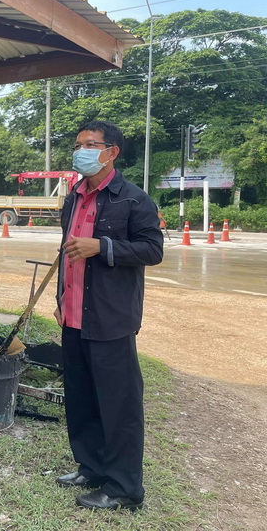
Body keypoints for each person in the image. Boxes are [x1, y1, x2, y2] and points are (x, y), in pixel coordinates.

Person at [53, 120, 163, 511]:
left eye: (90, 145)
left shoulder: (133, 199)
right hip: (73, 316)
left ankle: (123, 488)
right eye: (77, 145)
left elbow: (152, 250)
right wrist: (61, 296)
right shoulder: (74, 197)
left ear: (111, 152)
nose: (80, 151)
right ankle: (91, 467)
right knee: (81, 398)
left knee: (119, 406)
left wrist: (103, 246)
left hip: (110, 319)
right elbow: (66, 252)